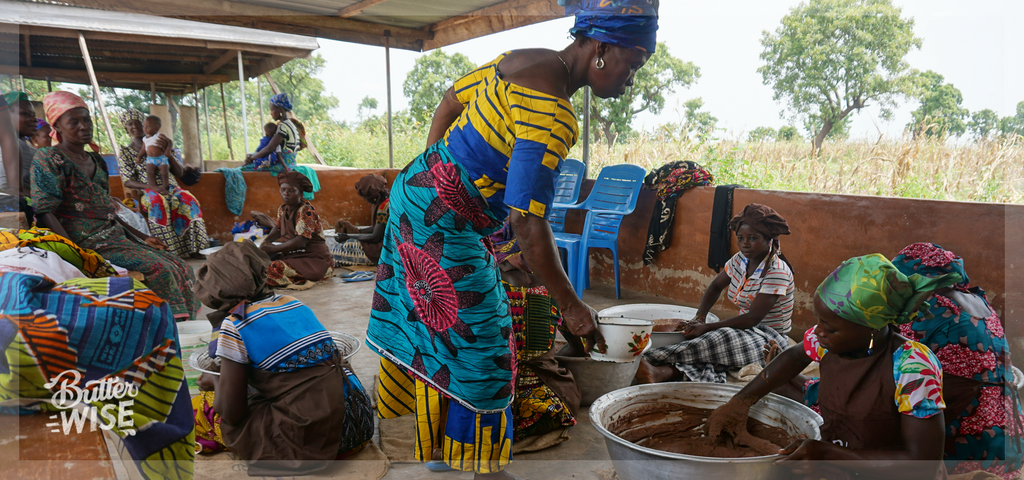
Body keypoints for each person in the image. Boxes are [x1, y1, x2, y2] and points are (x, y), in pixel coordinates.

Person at [366, 1, 658, 477]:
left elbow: (450, 100)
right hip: (443, 221)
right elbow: (528, 221)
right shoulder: (554, 115)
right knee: (485, 350)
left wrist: (436, 171)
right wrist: (572, 306)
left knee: (430, 324)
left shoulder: (522, 59)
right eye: (635, 63)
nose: (632, 79)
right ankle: (478, 466)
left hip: (417, 194)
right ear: (602, 47)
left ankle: (442, 452)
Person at [707, 254, 959, 480]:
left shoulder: (911, 366)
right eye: (819, 321)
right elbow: (792, 358)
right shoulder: (826, 341)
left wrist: (827, 453)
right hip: (839, 457)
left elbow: (922, 464)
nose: (818, 331)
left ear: (871, 326)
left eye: (831, 327)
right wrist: (739, 402)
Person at [0, 244, 195, 478]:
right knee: (142, 303)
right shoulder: (50, 248)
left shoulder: (45, 249)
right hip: (24, 290)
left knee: (143, 299)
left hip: (28, 285)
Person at [191, 241, 373, 475]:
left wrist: (213, 381)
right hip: (359, 424)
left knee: (204, 408)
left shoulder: (236, 324)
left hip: (320, 443)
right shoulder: (293, 303)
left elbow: (232, 414)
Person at [31, 91, 199, 319]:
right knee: (160, 270)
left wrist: (142, 235)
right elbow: (44, 212)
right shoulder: (49, 159)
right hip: (85, 241)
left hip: (114, 236)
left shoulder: (96, 160)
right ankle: (166, 328)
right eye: (74, 122)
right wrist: (75, 253)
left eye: (86, 119)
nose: (83, 126)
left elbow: (106, 209)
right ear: (57, 127)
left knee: (181, 266)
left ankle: (182, 325)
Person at [890, 243, 1024, 478]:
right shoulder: (978, 299)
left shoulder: (928, 307)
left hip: (965, 435)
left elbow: (894, 354)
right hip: (1007, 436)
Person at [637, 203, 795, 384]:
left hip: (770, 339)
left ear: (770, 240)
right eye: (740, 238)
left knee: (720, 338)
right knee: (713, 348)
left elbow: (752, 319)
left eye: (753, 238)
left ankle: (645, 357)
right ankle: (660, 373)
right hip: (744, 331)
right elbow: (715, 287)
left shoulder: (777, 271)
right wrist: (700, 317)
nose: (745, 244)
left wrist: (709, 327)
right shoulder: (740, 260)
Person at [117, 108, 210, 259]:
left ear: (147, 124)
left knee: (188, 200)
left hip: (171, 186)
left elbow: (179, 173)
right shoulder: (126, 153)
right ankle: (169, 252)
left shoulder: (161, 141)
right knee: (158, 203)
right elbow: (128, 180)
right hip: (148, 190)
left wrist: (168, 154)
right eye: (129, 124)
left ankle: (197, 248)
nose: (134, 126)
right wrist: (151, 187)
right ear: (125, 128)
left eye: (138, 123)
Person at [251, 171, 332, 288]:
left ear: (300, 193)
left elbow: (301, 241)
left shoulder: (306, 211)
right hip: (292, 256)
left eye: (291, 190)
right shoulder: (282, 209)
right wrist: (265, 244)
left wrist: (273, 248)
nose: (286, 194)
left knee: (271, 269)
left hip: (313, 259)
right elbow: (278, 228)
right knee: (257, 264)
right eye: (283, 190)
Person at [331, 173, 389, 266]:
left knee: (344, 247)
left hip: (387, 249)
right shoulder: (388, 199)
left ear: (372, 197)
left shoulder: (384, 207)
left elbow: (375, 237)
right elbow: (379, 227)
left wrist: (348, 236)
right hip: (390, 245)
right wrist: (357, 231)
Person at [243, 93, 302, 173]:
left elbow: (269, 148)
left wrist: (251, 158)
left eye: (271, 109)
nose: (271, 113)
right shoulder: (290, 123)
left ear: (280, 110)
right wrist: (253, 156)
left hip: (283, 164)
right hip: (291, 163)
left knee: (243, 169)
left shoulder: (283, 126)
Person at [1, 91, 36, 199]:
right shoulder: (16, 146)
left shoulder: (31, 149)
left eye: (34, 115)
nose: (34, 119)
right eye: (25, 113)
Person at [139, 115, 172, 196]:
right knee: (149, 172)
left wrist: (168, 151)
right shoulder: (144, 139)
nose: (145, 128)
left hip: (161, 159)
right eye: (144, 126)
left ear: (156, 128)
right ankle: (153, 186)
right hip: (150, 159)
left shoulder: (159, 135)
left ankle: (165, 188)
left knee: (164, 173)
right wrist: (139, 157)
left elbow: (169, 142)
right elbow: (143, 149)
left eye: (148, 127)